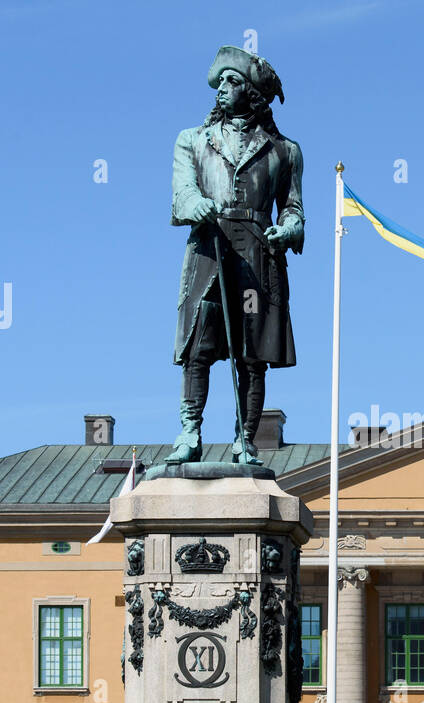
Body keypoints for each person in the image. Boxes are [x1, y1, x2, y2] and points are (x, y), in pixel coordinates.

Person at [166, 45, 304, 467]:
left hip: (258, 256)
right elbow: (182, 191)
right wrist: (194, 206)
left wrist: (291, 229)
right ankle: (190, 431)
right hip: (210, 249)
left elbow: (295, 207)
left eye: (233, 81)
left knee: (252, 354)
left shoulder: (286, 151)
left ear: (253, 93)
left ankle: (246, 439)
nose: (222, 89)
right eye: (220, 82)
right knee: (199, 347)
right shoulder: (192, 139)